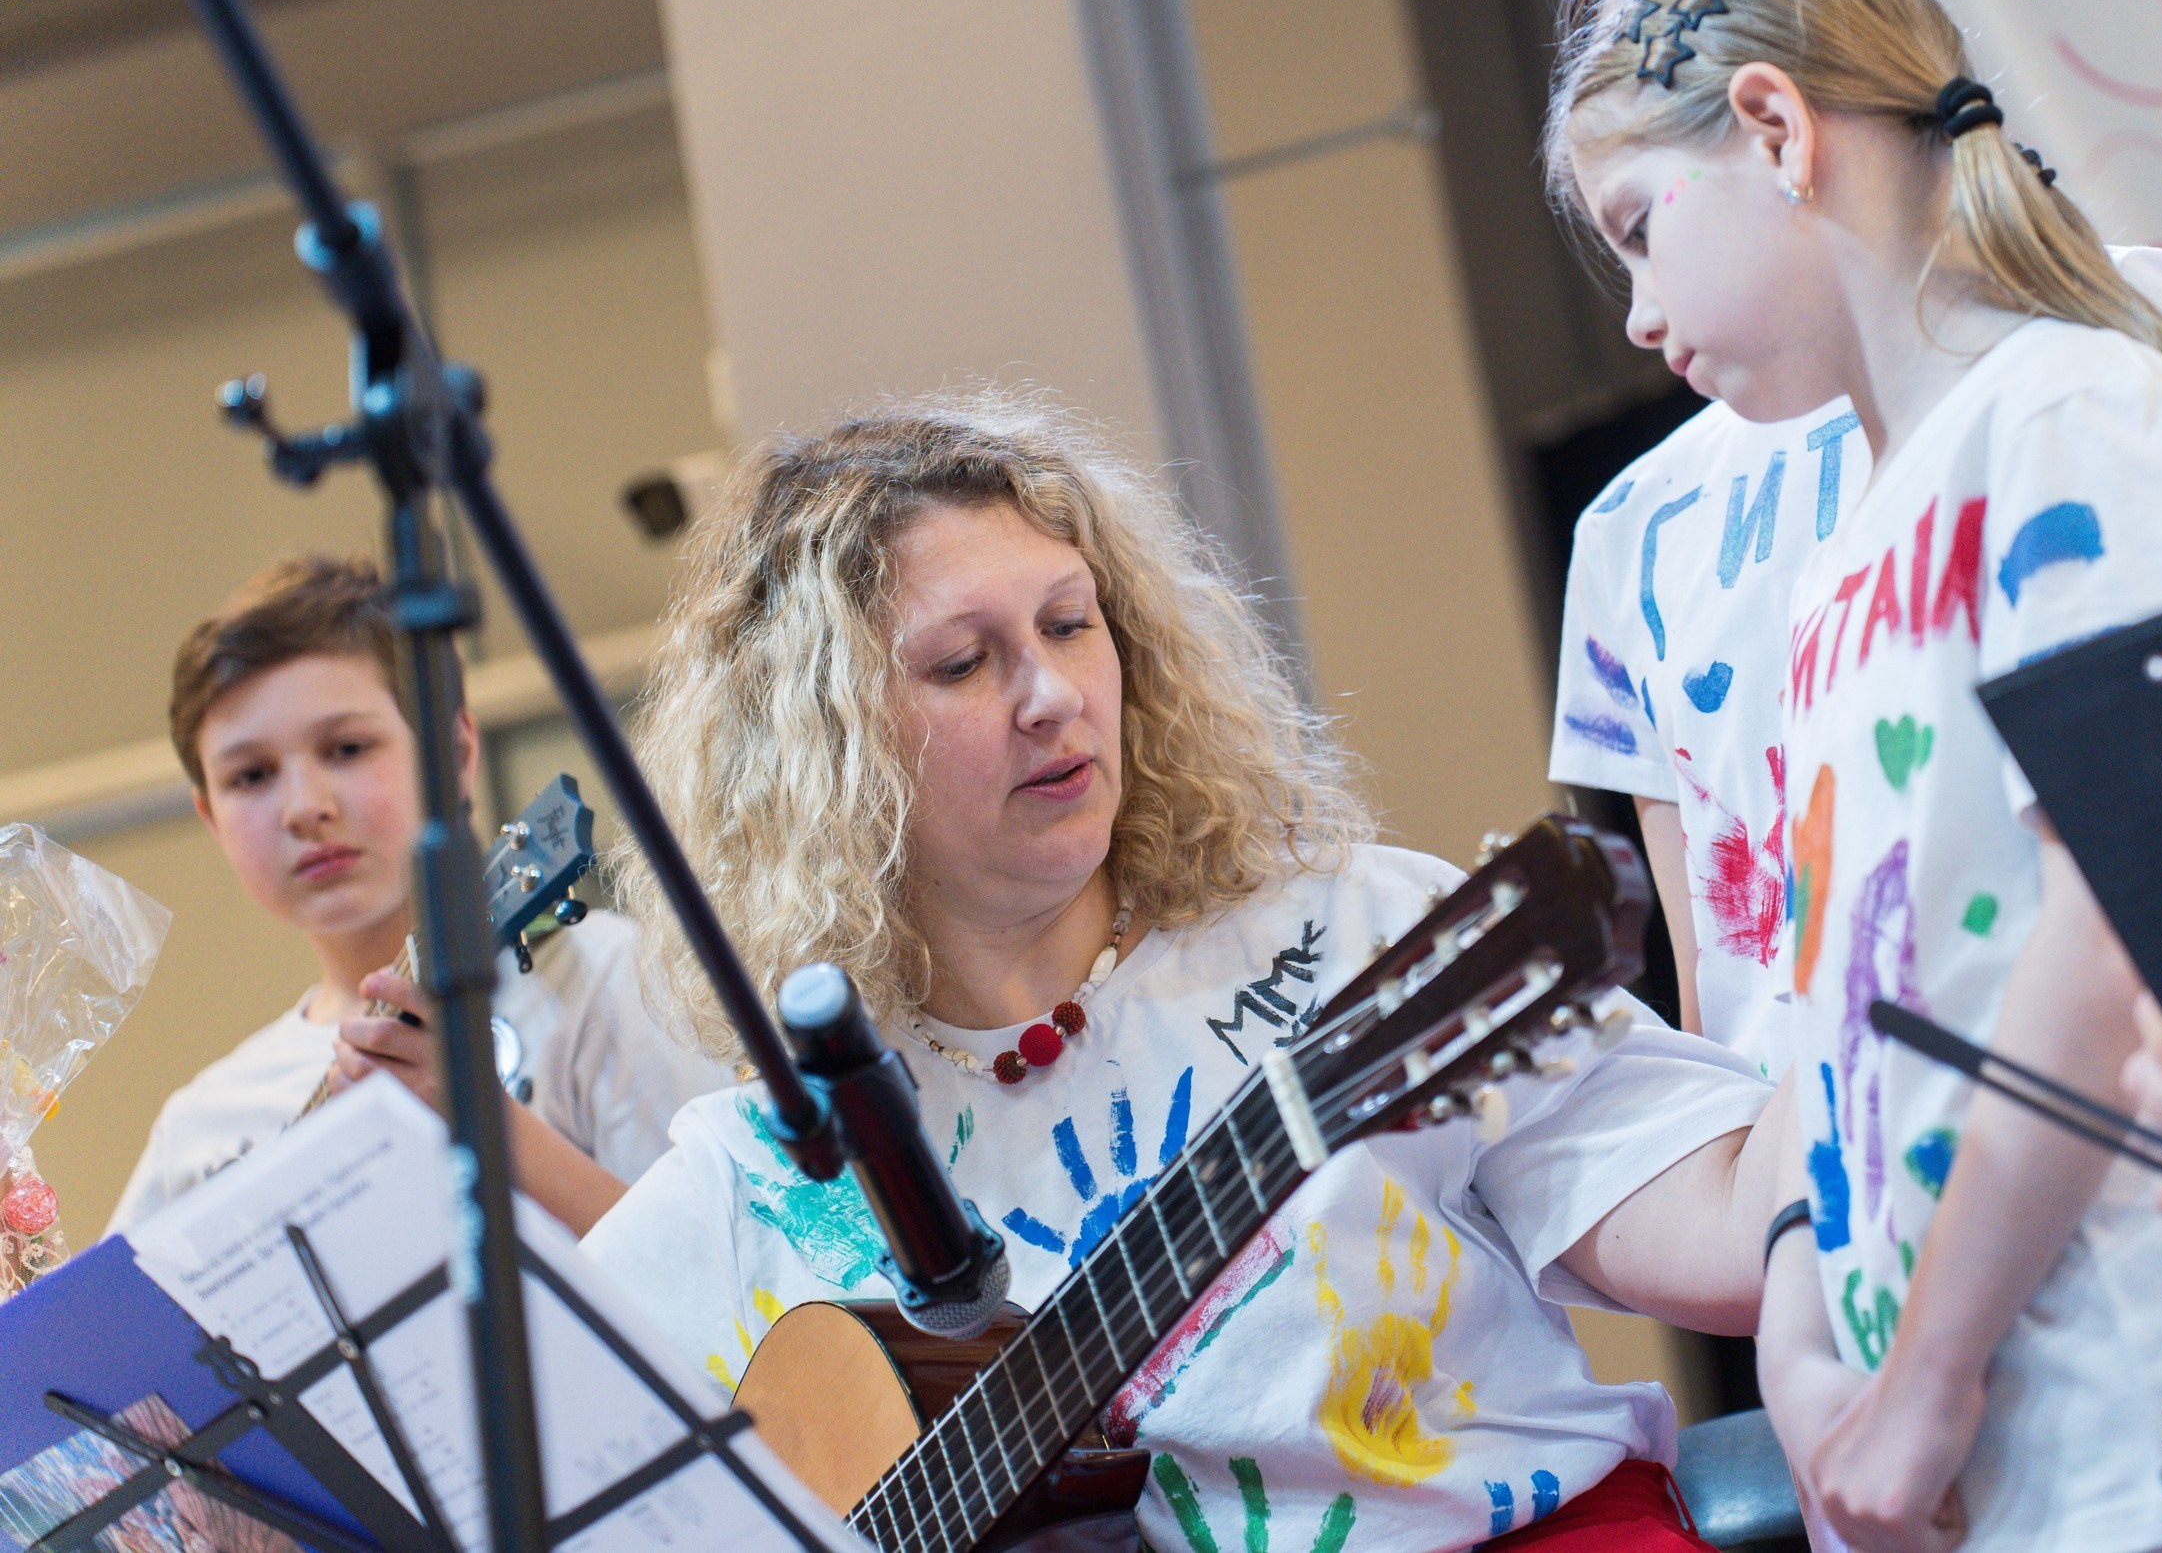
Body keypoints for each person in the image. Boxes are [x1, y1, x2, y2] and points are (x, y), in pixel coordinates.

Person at [1546, 0, 2162, 1553]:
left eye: (1637, 227)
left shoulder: (2076, 411)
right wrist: (1816, 1342)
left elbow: (2120, 921)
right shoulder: (1847, 559)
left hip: (2159, 1399)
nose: (1632, 310)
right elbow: (1829, 1020)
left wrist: (1930, 1370)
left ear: (1772, 126)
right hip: (1994, 1447)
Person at [581, 389, 1792, 1553]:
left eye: (1070, 624)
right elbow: (498, 1472)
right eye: (962, 663)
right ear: (820, 751)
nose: (1054, 696)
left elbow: (1736, 1235)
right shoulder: (767, 1162)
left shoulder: (1360, 932)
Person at [1545, 0, 2162, 1068]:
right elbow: (1716, 939)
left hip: (2142, 1081)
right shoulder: (1632, 530)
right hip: (1838, 1143)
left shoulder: (2089, 338)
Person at [109, 555, 729, 1237]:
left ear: (458, 752)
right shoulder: (199, 1127)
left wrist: (485, 1122)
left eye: (346, 747)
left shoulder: (604, 976)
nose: (303, 807)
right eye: (250, 775)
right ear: (210, 817)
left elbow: (723, 1282)